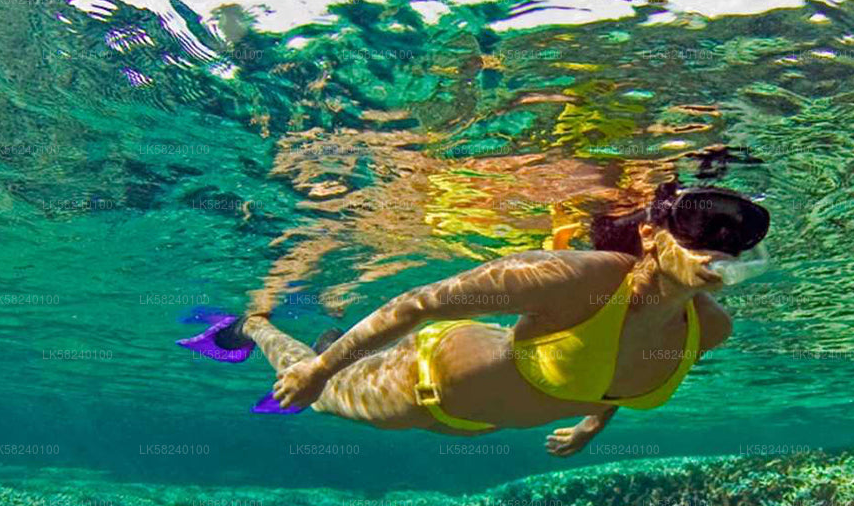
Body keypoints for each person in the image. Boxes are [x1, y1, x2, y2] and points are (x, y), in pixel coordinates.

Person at [178, 183, 770, 456]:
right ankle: (255, 325)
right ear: (650, 235)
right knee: (324, 398)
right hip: (419, 386)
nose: (716, 252)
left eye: (733, 242)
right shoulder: (581, 277)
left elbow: (621, 373)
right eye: (699, 233)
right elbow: (421, 302)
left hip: (478, 423)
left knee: (334, 373)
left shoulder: (711, 327)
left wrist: (593, 425)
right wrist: (319, 372)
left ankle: (334, 346)